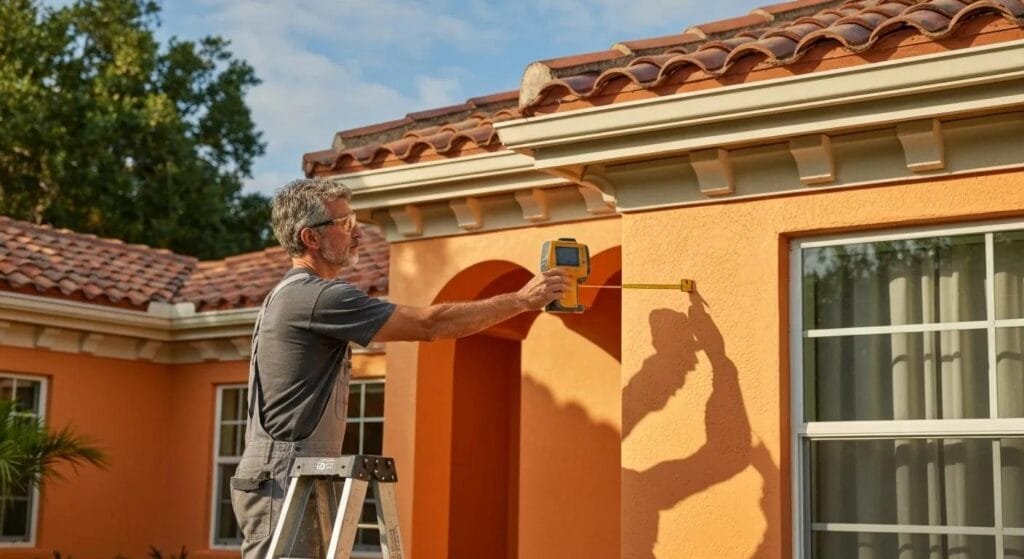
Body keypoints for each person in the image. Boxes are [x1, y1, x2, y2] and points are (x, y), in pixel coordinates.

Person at [230, 178, 568, 558]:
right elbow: (429, 324)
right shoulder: (316, 297)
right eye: (343, 223)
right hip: (285, 476)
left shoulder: (296, 294)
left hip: (293, 472)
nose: (357, 233)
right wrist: (523, 300)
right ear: (310, 237)